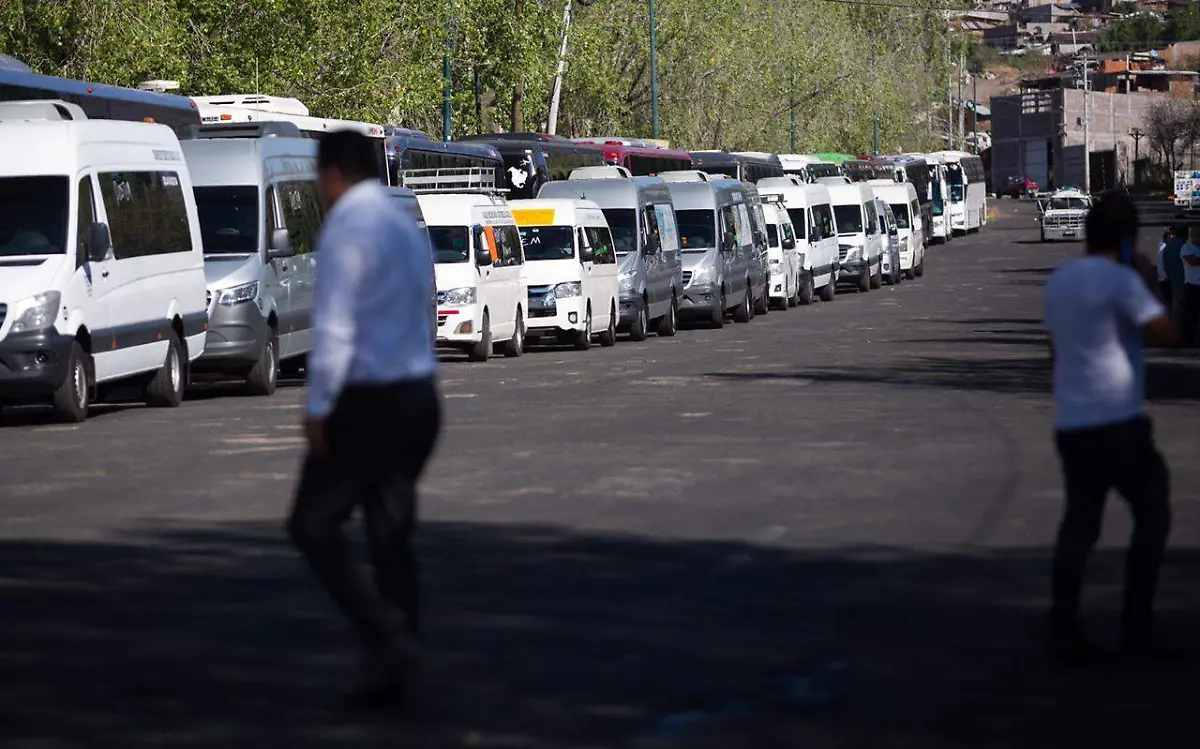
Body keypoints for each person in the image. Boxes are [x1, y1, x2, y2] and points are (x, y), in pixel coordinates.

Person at [286, 130, 441, 707]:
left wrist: (318, 408)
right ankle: (397, 663)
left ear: (332, 175)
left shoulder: (346, 228)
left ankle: (386, 634)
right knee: (389, 531)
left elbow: (334, 328)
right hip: (418, 398)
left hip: (369, 401)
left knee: (312, 522)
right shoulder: (403, 226)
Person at [1042, 190, 1183, 666]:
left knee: (1080, 523)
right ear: (1127, 239)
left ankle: (1064, 624)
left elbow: (1054, 351)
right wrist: (1146, 279)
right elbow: (1168, 335)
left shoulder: (1060, 281)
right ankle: (1136, 625)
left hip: (1073, 425)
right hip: (1118, 422)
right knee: (1153, 514)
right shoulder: (1123, 281)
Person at [1163, 225, 1188, 326]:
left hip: (1174, 281)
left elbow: (1166, 265)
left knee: (1176, 308)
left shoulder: (1168, 247)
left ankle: (1176, 329)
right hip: (1188, 282)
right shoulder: (1186, 245)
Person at [1181, 227, 1200, 345]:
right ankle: (1189, 340)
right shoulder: (1187, 247)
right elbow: (1192, 262)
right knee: (1191, 315)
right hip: (1192, 286)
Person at [1156, 229, 1173, 305]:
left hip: (1162, 279)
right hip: (1166, 280)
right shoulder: (1165, 250)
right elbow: (1165, 265)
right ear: (1167, 238)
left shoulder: (1161, 248)